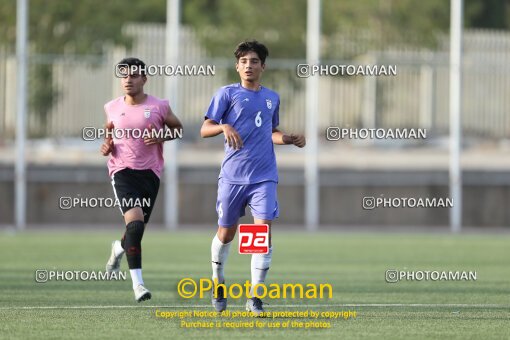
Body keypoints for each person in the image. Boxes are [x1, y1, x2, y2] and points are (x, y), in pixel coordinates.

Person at [200, 41, 306, 316]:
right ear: (237, 66)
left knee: (261, 232)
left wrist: (288, 138)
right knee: (226, 233)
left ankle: (254, 296)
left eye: (254, 61)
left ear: (263, 66)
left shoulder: (272, 97)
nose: (249, 65)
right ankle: (218, 281)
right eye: (244, 61)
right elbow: (204, 128)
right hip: (233, 177)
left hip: (264, 177)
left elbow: (269, 132)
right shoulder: (226, 94)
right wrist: (223, 126)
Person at [102, 57, 183, 302]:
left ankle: (118, 248)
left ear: (144, 79)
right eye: (124, 75)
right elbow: (109, 130)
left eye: (134, 75)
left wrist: (160, 136)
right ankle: (138, 285)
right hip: (122, 171)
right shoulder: (112, 106)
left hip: (150, 173)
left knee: (135, 230)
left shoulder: (159, 106)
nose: (128, 79)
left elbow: (178, 129)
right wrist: (107, 144)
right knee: (136, 225)